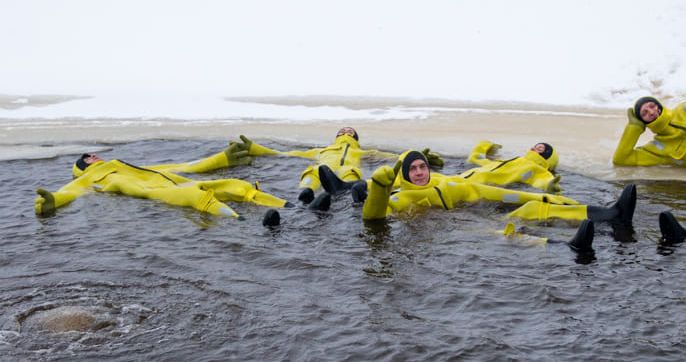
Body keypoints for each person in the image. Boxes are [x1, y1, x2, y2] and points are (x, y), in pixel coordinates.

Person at [358, 150, 636, 227]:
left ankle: (609, 213)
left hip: (470, 198)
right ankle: (588, 231)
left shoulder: (441, 180)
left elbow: (482, 188)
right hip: (458, 223)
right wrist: (379, 189)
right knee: (526, 213)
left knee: (532, 199)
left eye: (423, 167)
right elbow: (374, 217)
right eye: (413, 169)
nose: (419, 173)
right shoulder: (401, 196)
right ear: (404, 173)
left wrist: (548, 187)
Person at [35, 147, 288, 219]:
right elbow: (69, 192)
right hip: (159, 193)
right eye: (86, 157)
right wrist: (52, 201)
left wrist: (219, 160)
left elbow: (178, 168)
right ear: (83, 167)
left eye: (91, 153)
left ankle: (291, 207)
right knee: (195, 198)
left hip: (176, 183)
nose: (93, 156)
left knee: (234, 184)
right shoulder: (90, 178)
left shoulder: (121, 165)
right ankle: (243, 224)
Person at [230, 129, 443, 203]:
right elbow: (286, 154)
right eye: (343, 130)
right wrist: (256, 148)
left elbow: (394, 158)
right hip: (321, 170)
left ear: (356, 138)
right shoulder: (321, 151)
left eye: (350, 131)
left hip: (348, 174)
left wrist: (417, 157)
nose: (346, 132)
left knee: (351, 178)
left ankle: (342, 195)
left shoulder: (361, 152)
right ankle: (304, 196)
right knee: (312, 175)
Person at [458, 140, 563, 193]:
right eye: (535, 146)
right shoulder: (515, 161)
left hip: (478, 187)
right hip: (464, 180)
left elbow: (541, 179)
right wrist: (484, 145)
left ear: (545, 158)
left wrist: (549, 185)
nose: (532, 148)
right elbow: (479, 160)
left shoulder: (536, 169)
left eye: (539, 149)